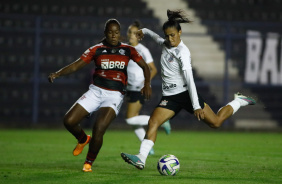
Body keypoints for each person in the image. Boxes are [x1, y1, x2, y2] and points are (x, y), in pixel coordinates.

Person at [120, 9, 256, 170]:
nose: (170, 39)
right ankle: (141, 158)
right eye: (167, 35)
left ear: (180, 32)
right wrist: (146, 31)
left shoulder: (183, 52)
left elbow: (190, 79)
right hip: (170, 97)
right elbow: (156, 38)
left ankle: (238, 101)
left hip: (185, 94)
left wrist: (196, 106)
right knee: (153, 122)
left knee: (216, 123)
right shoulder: (165, 43)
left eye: (173, 35)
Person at [48, 18, 152, 172]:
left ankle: (88, 162)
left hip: (114, 95)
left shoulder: (128, 50)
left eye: (116, 32)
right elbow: (77, 64)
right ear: (105, 33)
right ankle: (83, 139)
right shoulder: (96, 49)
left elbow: (145, 67)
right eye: (110, 32)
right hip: (95, 91)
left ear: (119, 33)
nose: (114, 35)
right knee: (69, 121)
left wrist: (147, 84)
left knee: (99, 128)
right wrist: (57, 74)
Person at [125, 20, 171, 155]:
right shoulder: (126, 48)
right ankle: (148, 147)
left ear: (139, 36)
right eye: (130, 32)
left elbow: (153, 69)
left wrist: (145, 83)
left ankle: (161, 122)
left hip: (139, 88)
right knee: (134, 121)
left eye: (135, 33)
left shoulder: (143, 50)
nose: (132, 35)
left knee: (130, 119)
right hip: (131, 88)